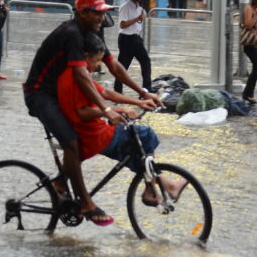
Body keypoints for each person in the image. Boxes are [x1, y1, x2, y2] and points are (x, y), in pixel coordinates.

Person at [22, 0, 160, 227]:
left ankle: (60, 183)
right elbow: (81, 75)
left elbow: (114, 66)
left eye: (102, 13)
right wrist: (107, 110)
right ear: (81, 13)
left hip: (58, 91)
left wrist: (143, 93)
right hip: (40, 95)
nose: (100, 18)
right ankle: (85, 202)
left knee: (81, 139)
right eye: (96, 13)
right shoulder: (72, 34)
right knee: (72, 143)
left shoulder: (92, 34)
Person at [58, 32, 186, 210]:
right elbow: (83, 112)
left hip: (91, 132)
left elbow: (106, 93)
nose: (97, 66)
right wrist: (117, 109)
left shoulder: (77, 72)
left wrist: (139, 100)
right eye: (96, 61)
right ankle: (157, 189)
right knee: (144, 135)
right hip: (93, 135)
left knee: (135, 152)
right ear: (85, 56)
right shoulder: (76, 77)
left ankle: (161, 187)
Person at [113, 0, 153, 96]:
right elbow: (123, 24)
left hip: (136, 38)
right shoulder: (125, 7)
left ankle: (147, 88)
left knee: (145, 61)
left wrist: (141, 18)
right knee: (123, 67)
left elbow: (138, 22)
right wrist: (137, 19)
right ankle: (117, 90)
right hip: (126, 40)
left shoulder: (139, 7)